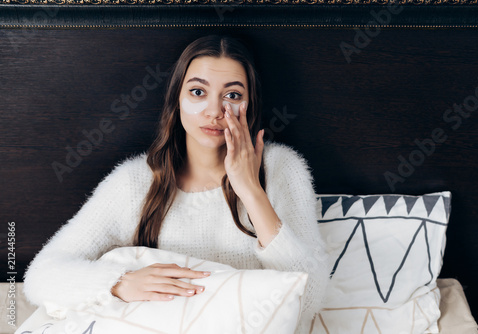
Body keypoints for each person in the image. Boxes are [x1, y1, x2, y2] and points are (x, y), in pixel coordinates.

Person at [22, 34, 330, 333]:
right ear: (177, 100)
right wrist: (117, 282)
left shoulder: (281, 169)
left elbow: (309, 297)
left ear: (250, 105)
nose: (213, 111)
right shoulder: (134, 183)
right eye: (198, 92)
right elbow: (41, 275)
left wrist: (250, 189)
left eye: (233, 95)